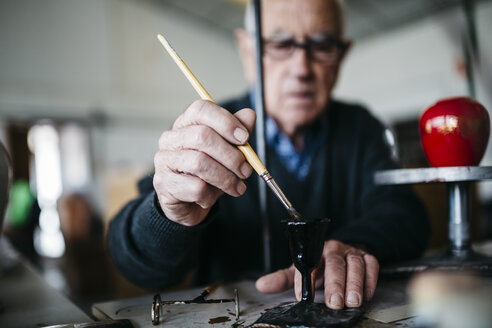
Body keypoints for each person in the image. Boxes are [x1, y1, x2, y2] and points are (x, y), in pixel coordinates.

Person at [108, 0, 429, 310]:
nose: (301, 68)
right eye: (279, 44)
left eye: (322, 45)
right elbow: (137, 268)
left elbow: (406, 214)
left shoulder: (361, 127)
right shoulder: (205, 136)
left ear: (342, 54)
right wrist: (169, 215)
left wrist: (357, 245)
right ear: (247, 50)